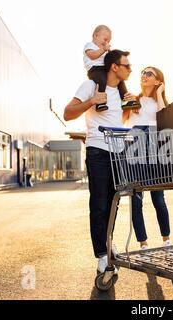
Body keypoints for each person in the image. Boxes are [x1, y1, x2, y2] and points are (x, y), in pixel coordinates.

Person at [64, 49, 136, 274]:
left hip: (118, 152)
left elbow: (118, 120)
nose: (130, 69)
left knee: (113, 203)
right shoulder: (92, 85)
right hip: (97, 151)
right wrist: (92, 101)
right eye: (127, 65)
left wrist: (129, 107)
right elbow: (67, 113)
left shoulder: (121, 92)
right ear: (114, 67)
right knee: (99, 204)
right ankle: (102, 256)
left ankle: (107, 243)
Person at [123, 67, 171, 250]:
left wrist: (159, 93)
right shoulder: (133, 99)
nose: (144, 75)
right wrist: (126, 103)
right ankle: (143, 243)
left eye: (149, 73)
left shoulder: (160, 102)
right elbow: (121, 120)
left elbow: (164, 119)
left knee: (158, 198)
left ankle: (166, 240)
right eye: (143, 72)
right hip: (134, 149)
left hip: (155, 150)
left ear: (158, 81)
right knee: (136, 199)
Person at [83, 25, 133, 111]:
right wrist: (103, 50)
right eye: (105, 39)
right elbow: (92, 56)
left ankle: (125, 100)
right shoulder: (90, 45)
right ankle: (100, 103)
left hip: (104, 68)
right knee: (102, 80)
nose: (106, 43)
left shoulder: (103, 48)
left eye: (108, 41)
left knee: (120, 80)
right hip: (94, 69)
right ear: (95, 35)